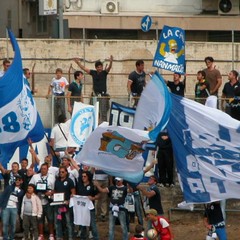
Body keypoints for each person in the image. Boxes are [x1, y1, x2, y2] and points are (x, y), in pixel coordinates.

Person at [73, 55, 113, 122]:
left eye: (101, 67)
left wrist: (111, 62)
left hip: (103, 96)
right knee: (94, 111)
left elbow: (109, 68)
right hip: (95, 96)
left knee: (104, 112)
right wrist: (78, 63)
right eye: (98, 67)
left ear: (102, 67)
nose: (100, 68)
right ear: (96, 68)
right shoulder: (93, 73)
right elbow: (84, 68)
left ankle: (104, 126)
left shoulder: (104, 73)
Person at [29, 163, 56, 240]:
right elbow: (30, 186)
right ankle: (41, 234)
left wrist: (50, 192)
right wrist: (34, 193)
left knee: (50, 218)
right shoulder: (35, 176)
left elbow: (55, 188)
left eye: (45, 168)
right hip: (38, 200)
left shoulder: (52, 177)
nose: (43, 170)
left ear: (47, 169)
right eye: (42, 168)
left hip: (49, 201)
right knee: (40, 219)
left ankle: (51, 234)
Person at [54, 166, 75, 240]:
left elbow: (73, 193)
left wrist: (69, 201)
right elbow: (55, 191)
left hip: (67, 204)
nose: (61, 173)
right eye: (60, 172)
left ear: (66, 172)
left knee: (69, 222)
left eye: (63, 172)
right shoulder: (57, 181)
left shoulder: (69, 181)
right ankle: (59, 237)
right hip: (58, 204)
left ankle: (70, 237)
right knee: (57, 221)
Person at [0, 174, 24, 240]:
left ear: (21, 181)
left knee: (13, 224)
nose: (17, 181)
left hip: (14, 208)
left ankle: (12, 237)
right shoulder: (9, 187)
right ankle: (5, 237)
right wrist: (1, 206)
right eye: (16, 180)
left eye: (19, 180)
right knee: (5, 223)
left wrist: (15, 191)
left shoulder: (21, 190)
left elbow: (19, 195)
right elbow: (2, 196)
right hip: (6, 208)